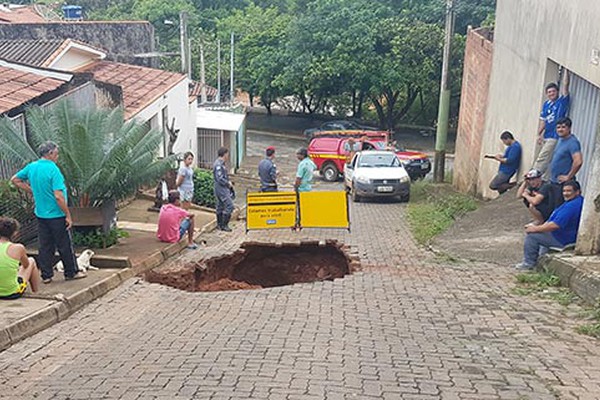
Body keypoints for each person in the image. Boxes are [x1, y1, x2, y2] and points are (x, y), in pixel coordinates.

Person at [11, 141, 86, 283]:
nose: (57, 157)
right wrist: (68, 215)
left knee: (45, 245)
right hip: (56, 214)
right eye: (56, 154)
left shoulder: (32, 167)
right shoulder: (53, 170)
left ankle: (46, 275)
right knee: (64, 244)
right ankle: (71, 272)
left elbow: (15, 180)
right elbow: (58, 196)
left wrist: (31, 190)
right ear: (50, 153)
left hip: (40, 214)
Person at [515, 180, 583, 270]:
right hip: (560, 235)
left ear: (577, 192)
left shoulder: (572, 206)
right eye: (564, 191)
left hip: (563, 239)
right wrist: (538, 227)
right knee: (542, 233)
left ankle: (528, 263)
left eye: (569, 191)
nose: (565, 193)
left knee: (532, 236)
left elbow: (555, 225)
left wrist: (535, 229)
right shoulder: (571, 202)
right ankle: (541, 261)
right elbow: (551, 221)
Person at [534, 71, 570, 175]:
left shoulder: (561, 102)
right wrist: (539, 134)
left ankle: (534, 175)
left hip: (555, 135)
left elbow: (566, 86)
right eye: (549, 92)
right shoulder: (546, 104)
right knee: (548, 158)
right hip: (547, 135)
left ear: (557, 92)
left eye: (553, 91)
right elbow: (543, 120)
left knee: (542, 157)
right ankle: (543, 178)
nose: (551, 94)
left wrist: (566, 69)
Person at [0, 217, 41, 300]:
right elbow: (26, 265)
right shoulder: (18, 248)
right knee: (31, 261)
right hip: (11, 293)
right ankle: (36, 292)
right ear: (15, 233)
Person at [549, 117, 582, 185]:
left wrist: (568, 177)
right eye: (558, 127)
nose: (560, 130)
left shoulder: (572, 142)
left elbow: (578, 162)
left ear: (569, 128)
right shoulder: (561, 139)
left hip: (563, 184)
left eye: (563, 127)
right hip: (554, 181)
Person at [213, 147, 234, 232]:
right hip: (221, 188)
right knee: (229, 205)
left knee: (220, 206)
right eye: (227, 154)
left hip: (220, 188)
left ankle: (220, 225)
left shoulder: (221, 163)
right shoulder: (219, 164)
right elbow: (220, 178)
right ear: (225, 154)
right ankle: (224, 225)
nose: (228, 156)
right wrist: (227, 183)